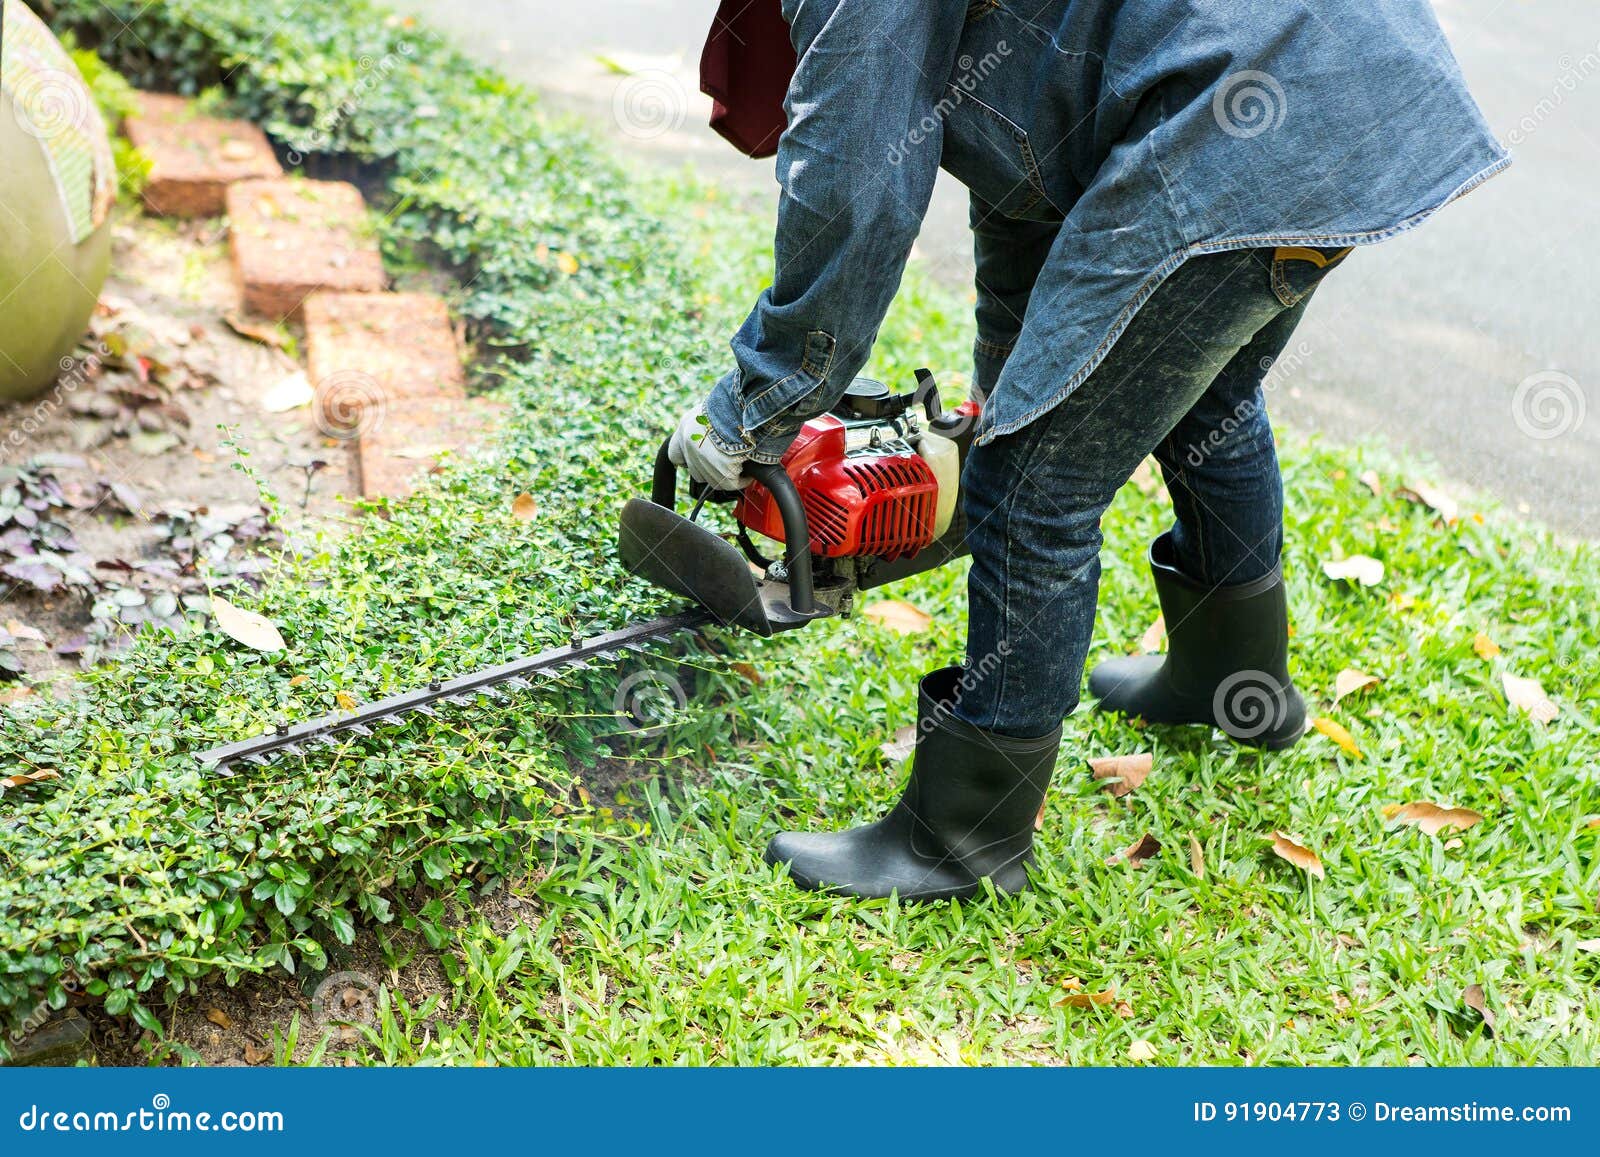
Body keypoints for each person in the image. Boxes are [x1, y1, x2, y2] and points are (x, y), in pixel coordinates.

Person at [669, 0, 1508, 901]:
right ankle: (1234, 680)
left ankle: (961, 841)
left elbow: (852, 191)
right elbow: (1028, 176)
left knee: (1035, 483)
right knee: (1203, 393)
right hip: (1356, 82)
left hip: (1242, 114)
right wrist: (1009, 385)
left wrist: (757, 407)